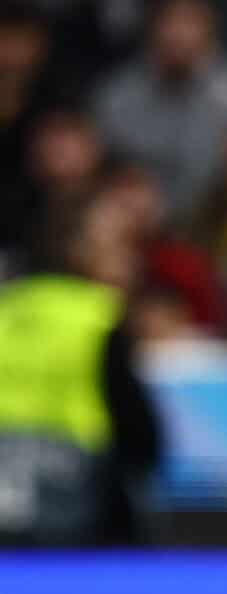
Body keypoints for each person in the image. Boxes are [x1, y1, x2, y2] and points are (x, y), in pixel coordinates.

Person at [0, 203, 165, 545]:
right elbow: (142, 438)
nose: (131, 262)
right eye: (118, 247)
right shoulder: (97, 317)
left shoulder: (5, 308)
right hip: (75, 518)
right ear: (79, 250)